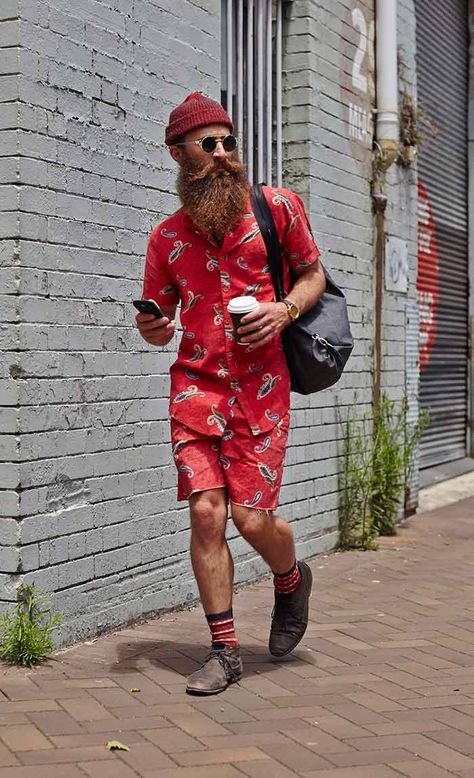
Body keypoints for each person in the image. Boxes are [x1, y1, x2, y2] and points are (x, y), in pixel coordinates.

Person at [135, 92, 326, 695]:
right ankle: (224, 652)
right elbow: (158, 315)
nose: (223, 154)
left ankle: (291, 578)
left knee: (251, 518)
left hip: (261, 389)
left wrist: (284, 308)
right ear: (178, 153)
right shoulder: (165, 237)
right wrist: (153, 326)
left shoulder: (277, 208)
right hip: (195, 388)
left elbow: (313, 274)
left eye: (229, 142)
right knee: (206, 512)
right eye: (208, 144)